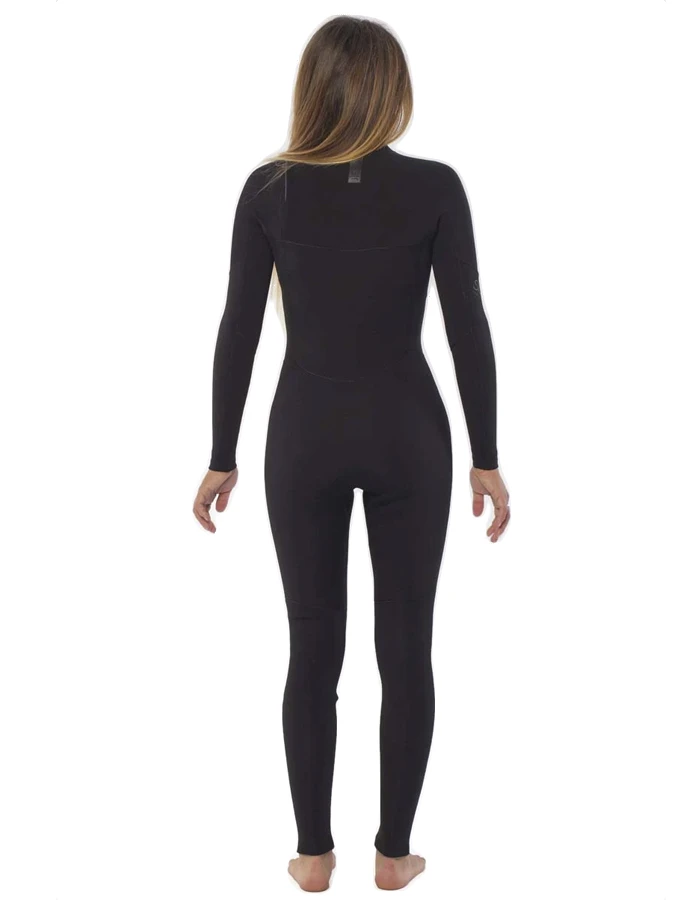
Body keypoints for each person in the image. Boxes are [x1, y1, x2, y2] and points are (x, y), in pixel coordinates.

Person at [193, 14, 511, 892]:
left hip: (304, 436)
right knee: (406, 648)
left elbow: (239, 326)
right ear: (391, 89)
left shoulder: (269, 189)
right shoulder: (436, 187)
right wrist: (487, 454)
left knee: (311, 648)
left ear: (312, 87)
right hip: (410, 435)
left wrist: (221, 451)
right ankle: (393, 854)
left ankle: (311, 854)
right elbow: (468, 327)